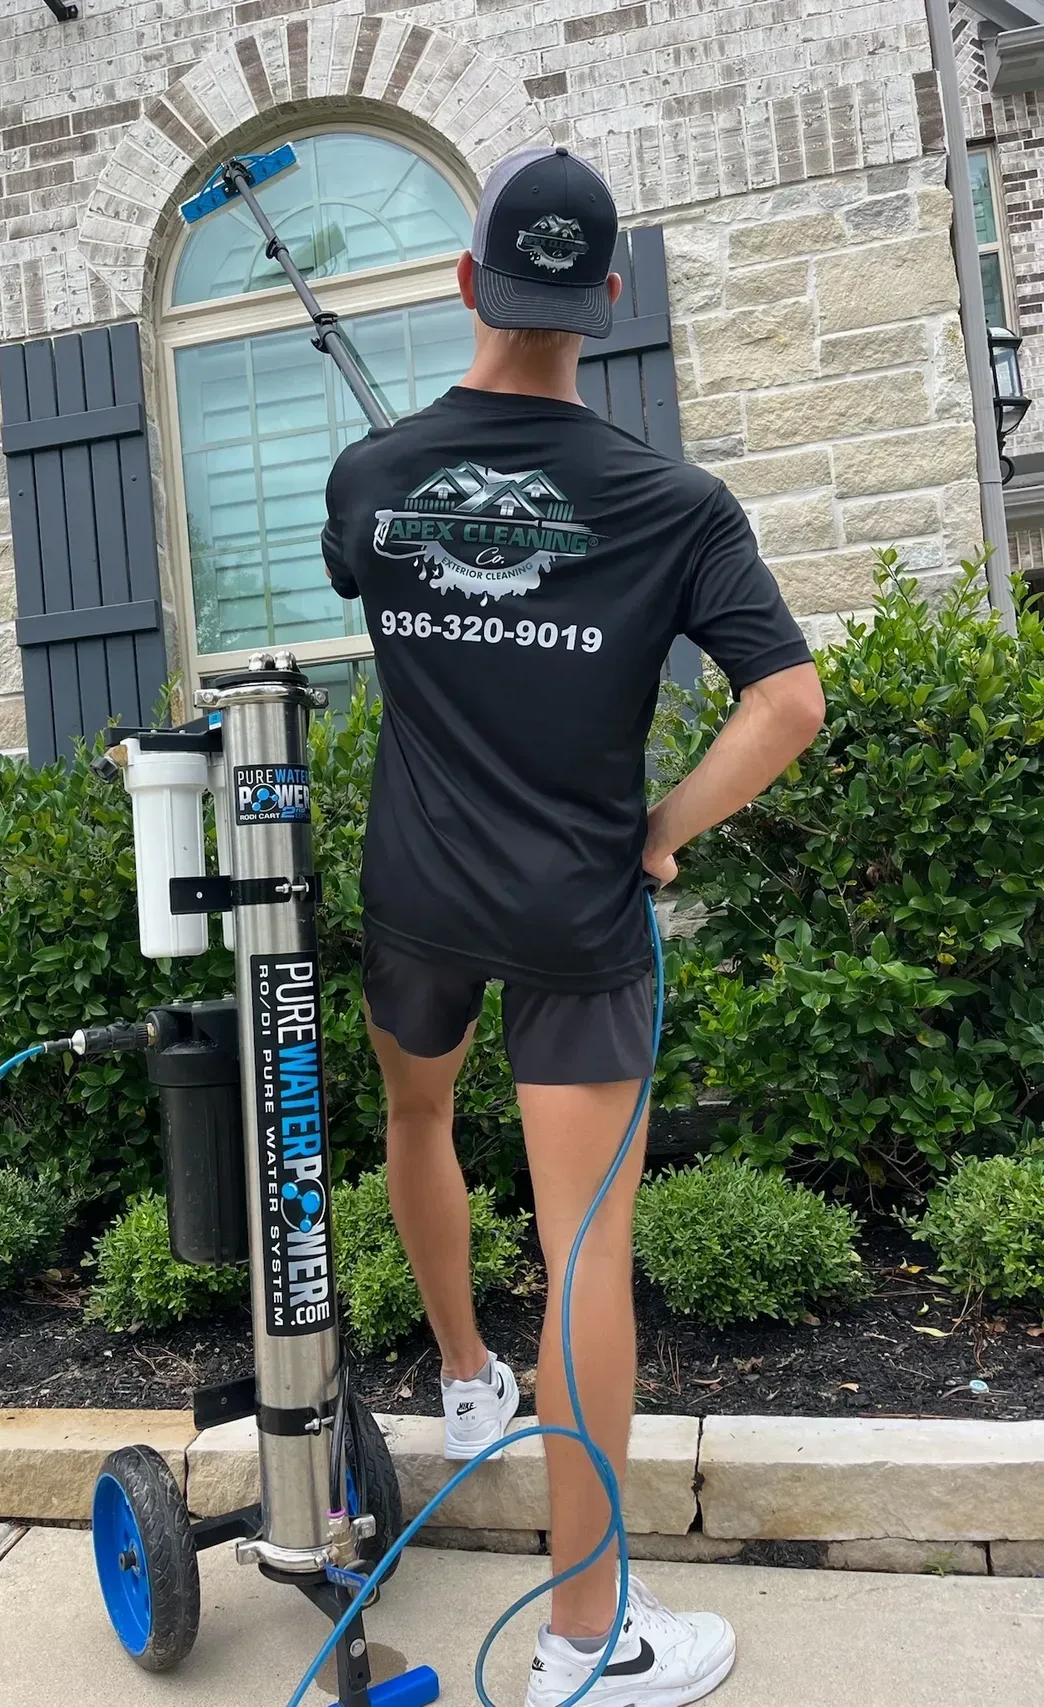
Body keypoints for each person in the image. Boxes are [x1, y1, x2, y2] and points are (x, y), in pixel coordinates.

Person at [321, 146, 825, 1707]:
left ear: (470, 282)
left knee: (419, 1115)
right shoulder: (672, 501)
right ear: (603, 301)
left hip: (418, 886)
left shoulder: (372, 475)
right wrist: (664, 826)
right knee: (584, 1242)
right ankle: (583, 1641)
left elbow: (386, 587)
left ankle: (470, 1379)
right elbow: (789, 703)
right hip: (576, 908)